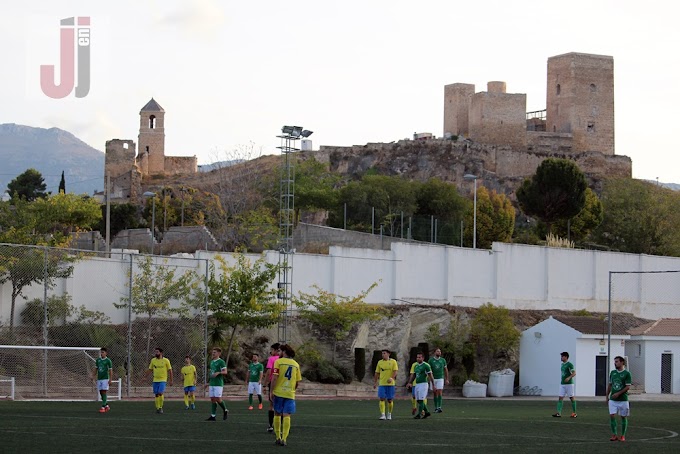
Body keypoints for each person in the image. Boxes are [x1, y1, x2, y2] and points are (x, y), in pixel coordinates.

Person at [272, 344, 302, 447]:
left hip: (278, 392)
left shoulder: (278, 362)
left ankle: (277, 437)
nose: (278, 353)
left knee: (277, 414)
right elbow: (297, 382)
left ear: (284, 352)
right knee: (287, 415)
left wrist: (271, 391)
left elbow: (274, 378)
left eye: (280, 351)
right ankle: (284, 438)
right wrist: (292, 390)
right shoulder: (296, 364)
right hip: (290, 393)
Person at [607, 356, 632, 442]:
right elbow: (610, 385)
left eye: (617, 361)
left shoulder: (627, 374)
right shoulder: (613, 373)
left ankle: (622, 435)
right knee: (612, 416)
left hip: (623, 399)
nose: (615, 363)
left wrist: (618, 393)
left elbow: (628, 386)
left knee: (623, 417)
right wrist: (607, 396)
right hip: (612, 400)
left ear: (622, 362)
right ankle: (614, 435)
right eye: (615, 361)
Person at [144, 347, 173, 414]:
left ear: (161, 353)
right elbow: (150, 369)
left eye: (157, 352)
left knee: (160, 392)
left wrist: (171, 380)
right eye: (155, 352)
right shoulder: (153, 360)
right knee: (156, 394)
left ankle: (160, 407)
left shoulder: (166, 361)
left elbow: (170, 371)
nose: (156, 353)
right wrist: (145, 377)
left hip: (163, 379)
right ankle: (157, 408)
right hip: (155, 380)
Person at [204, 347, 229, 421]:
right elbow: (211, 373)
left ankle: (225, 410)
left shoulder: (221, 362)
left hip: (218, 383)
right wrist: (208, 383)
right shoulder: (212, 362)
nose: (213, 353)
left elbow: (225, 372)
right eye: (213, 352)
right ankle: (213, 416)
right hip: (212, 383)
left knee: (218, 399)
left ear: (219, 353)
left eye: (214, 352)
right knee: (212, 399)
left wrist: (219, 372)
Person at [373, 349, 398, 420]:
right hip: (382, 383)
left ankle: (389, 413)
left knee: (390, 400)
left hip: (390, 384)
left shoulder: (393, 361)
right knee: (382, 398)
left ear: (388, 354)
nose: (383, 355)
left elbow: (395, 371)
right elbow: (377, 373)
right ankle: (383, 414)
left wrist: (392, 378)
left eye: (384, 353)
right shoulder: (380, 362)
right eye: (382, 353)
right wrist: (375, 382)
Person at [408, 352, 434, 419]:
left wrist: (433, 385)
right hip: (417, 384)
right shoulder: (416, 366)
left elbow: (430, 375)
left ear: (423, 358)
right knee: (418, 400)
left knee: (421, 399)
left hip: (423, 384)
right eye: (417, 357)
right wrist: (410, 382)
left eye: (419, 357)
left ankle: (419, 414)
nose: (418, 358)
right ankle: (427, 412)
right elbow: (414, 375)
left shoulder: (426, 365)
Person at [553, 352, 577, 418]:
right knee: (560, 397)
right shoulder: (562, 365)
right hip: (562, 384)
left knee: (571, 398)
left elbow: (574, 373)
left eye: (562, 356)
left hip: (569, 384)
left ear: (566, 357)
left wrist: (569, 377)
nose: (561, 357)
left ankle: (574, 413)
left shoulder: (570, 364)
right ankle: (558, 413)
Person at [263, 342, 281, 432]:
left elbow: (269, 372)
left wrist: (264, 384)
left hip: (273, 383)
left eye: (272, 350)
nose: (271, 352)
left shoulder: (272, 359)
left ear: (275, 350)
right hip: (281, 383)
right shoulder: (283, 359)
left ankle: (270, 425)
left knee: (271, 405)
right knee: (281, 404)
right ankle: (281, 426)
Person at [428, 348, 449, 413]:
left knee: (440, 391)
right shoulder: (431, 360)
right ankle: (436, 407)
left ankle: (439, 407)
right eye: (437, 351)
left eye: (440, 351)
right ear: (435, 352)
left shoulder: (443, 360)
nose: (439, 352)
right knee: (435, 392)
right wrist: (429, 378)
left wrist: (447, 379)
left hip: (440, 378)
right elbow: (428, 370)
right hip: (433, 378)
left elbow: (445, 370)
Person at [93, 347, 113, 413]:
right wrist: (93, 376)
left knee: (104, 392)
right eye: (101, 352)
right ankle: (107, 405)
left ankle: (103, 407)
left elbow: (110, 370)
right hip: (99, 378)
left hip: (105, 378)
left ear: (106, 353)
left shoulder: (108, 361)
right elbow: (96, 369)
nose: (101, 353)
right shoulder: (98, 360)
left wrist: (110, 379)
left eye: (103, 352)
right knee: (101, 392)